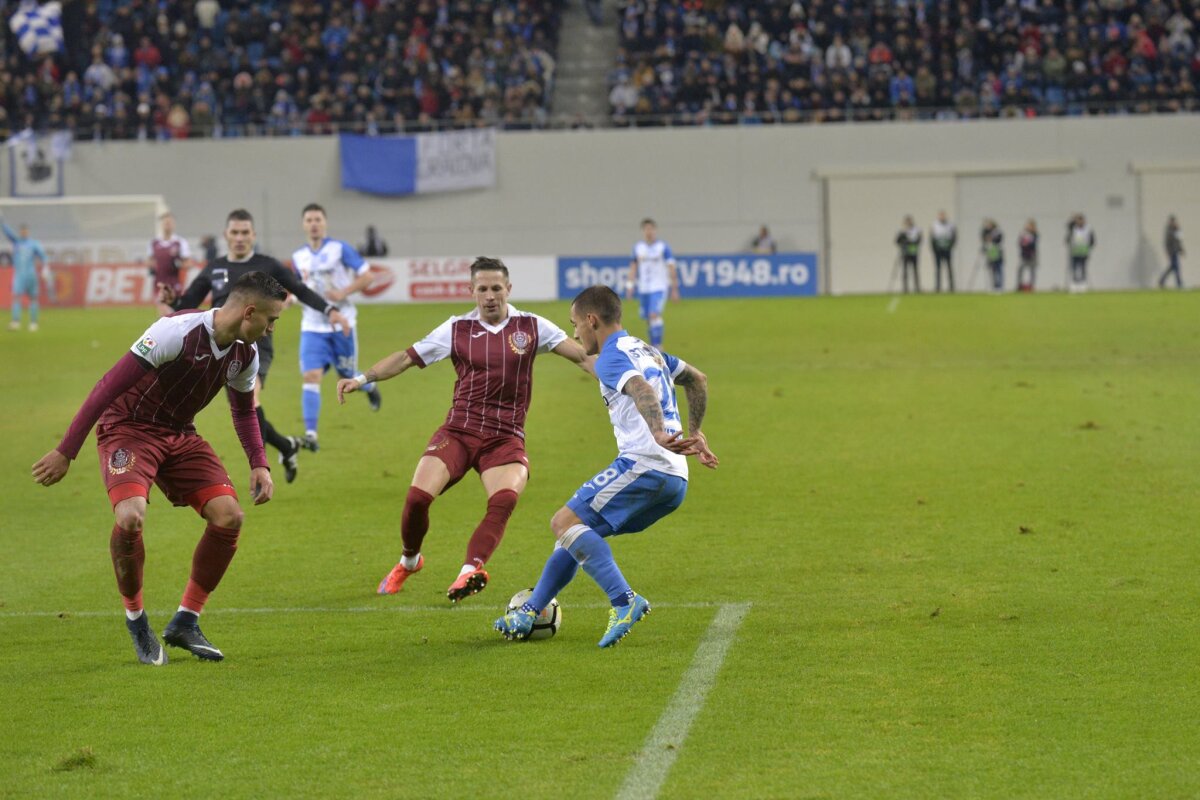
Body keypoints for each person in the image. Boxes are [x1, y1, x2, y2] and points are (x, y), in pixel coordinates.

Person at [31, 271, 288, 665]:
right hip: (129, 428)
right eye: (271, 320)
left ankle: (186, 621)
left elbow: (243, 412)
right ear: (249, 312)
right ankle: (137, 621)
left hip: (180, 434)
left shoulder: (245, 355)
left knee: (229, 517)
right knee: (130, 517)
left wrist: (260, 463)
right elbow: (107, 386)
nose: (271, 330)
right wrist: (67, 450)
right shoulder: (175, 332)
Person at [336, 257, 593, 603]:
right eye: (482, 289)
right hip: (459, 431)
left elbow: (582, 356)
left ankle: (468, 571)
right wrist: (362, 378)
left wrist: (625, 380)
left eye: (496, 288)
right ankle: (409, 561)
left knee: (503, 500)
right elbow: (406, 358)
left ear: (508, 289)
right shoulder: (456, 329)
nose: (490, 296)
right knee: (417, 499)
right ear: (471, 291)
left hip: (505, 436)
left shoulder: (532, 326)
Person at [494, 285, 718, 647]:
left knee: (563, 522)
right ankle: (529, 611)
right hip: (675, 476)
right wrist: (695, 432)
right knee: (574, 534)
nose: (574, 334)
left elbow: (641, 389)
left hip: (645, 464)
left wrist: (658, 432)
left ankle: (624, 601)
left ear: (591, 320)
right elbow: (697, 378)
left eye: (575, 325)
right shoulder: (648, 350)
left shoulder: (611, 356)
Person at [160, 209, 350, 483]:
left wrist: (330, 310)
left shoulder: (268, 266)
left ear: (253, 235)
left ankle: (261, 467)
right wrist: (173, 301)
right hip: (221, 347)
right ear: (226, 235)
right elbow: (188, 304)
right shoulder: (214, 267)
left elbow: (300, 290)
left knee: (250, 400)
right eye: (235, 232)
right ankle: (286, 446)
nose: (239, 238)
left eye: (245, 233)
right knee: (244, 407)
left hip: (257, 343)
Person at [292, 203, 381, 449]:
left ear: (325, 223)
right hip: (312, 326)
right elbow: (297, 288)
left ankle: (370, 387)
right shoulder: (298, 257)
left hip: (343, 324)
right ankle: (311, 434)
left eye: (318, 219)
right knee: (311, 376)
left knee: (347, 377)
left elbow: (368, 276)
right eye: (309, 220)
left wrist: (343, 292)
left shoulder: (339, 249)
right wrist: (289, 299)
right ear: (303, 224)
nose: (314, 224)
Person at [627, 218, 680, 349]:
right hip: (644, 288)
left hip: (659, 287)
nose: (649, 232)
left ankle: (658, 346)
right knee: (649, 319)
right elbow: (633, 267)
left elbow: (671, 267)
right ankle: (653, 345)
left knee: (654, 315)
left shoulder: (662, 247)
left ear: (655, 230)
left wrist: (674, 289)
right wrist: (630, 286)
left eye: (651, 229)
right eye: (646, 229)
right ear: (643, 231)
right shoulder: (638, 248)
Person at [2, 214, 50, 331]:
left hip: (30, 274)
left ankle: (33, 323)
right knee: (16, 297)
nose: (24, 232)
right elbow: (7, 233)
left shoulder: (33, 244)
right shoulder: (16, 242)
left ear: (28, 232)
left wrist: (45, 268)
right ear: (20, 232)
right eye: (22, 231)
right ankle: (16, 322)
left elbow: (43, 256)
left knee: (33, 298)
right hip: (19, 275)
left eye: (25, 230)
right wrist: (1, 221)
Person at [146, 212, 194, 316]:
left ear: (174, 225)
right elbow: (149, 261)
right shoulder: (154, 242)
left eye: (170, 222)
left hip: (174, 283)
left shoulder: (180, 242)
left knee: (175, 314)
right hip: (159, 283)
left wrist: (178, 264)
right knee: (164, 313)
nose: (167, 225)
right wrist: (153, 267)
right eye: (165, 222)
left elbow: (189, 263)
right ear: (161, 224)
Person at [1066, 213, 1095, 293]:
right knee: (1074, 268)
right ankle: (1074, 283)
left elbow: (1092, 240)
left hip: (1084, 251)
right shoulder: (1073, 228)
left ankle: (1083, 283)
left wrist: (1088, 247)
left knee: (1083, 268)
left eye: (1080, 220)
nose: (1079, 222)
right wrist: (1072, 219)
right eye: (1078, 220)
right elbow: (1068, 227)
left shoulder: (1088, 229)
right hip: (1075, 251)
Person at [930, 210, 957, 292]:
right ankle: (938, 287)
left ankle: (951, 287)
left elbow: (954, 236)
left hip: (947, 249)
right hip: (938, 250)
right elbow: (932, 238)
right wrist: (934, 248)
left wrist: (950, 246)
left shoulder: (950, 225)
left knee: (949, 268)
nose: (942, 217)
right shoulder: (934, 225)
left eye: (943, 215)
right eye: (940, 215)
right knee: (938, 269)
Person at [895, 215, 921, 293]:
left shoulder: (916, 230)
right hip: (905, 253)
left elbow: (919, 240)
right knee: (905, 270)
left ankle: (917, 287)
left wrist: (911, 242)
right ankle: (905, 288)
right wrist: (904, 240)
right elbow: (897, 241)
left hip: (913, 252)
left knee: (915, 270)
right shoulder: (902, 231)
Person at [1159, 215, 1184, 289]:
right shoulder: (1169, 230)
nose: (1173, 223)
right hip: (1172, 252)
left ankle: (1162, 281)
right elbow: (1167, 242)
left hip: (1176, 252)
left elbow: (1178, 241)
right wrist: (1168, 252)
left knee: (1173, 267)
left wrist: (1181, 250)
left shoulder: (1176, 230)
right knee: (1176, 268)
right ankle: (1179, 284)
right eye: (1172, 221)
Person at [981, 219, 1004, 292]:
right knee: (992, 270)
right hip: (990, 252)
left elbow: (999, 240)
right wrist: (985, 230)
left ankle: (999, 286)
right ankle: (994, 286)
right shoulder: (986, 232)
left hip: (997, 252)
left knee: (998, 270)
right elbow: (983, 239)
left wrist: (992, 238)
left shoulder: (997, 231)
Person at [1017, 219, 1039, 292]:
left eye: (1030, 226)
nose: (1028, 227)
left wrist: (1027, 243)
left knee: (1032, 271)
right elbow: (1020, 242)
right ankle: (1019, 285)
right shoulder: (1023, 233)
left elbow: (1033, 243)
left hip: (1032, 255)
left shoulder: (1034, 234)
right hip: (1024, 255)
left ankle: (1031, 286)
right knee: (1020, 269)